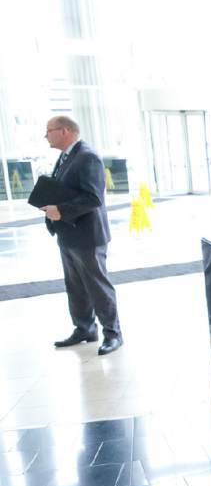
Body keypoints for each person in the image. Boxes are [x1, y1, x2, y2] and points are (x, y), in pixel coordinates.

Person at [40, 116, 123, 356]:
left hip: (87, 235)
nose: (46, 135)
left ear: (65, 131)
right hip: (67, 232)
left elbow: (93, 197)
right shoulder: (67, 156)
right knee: (75, 286)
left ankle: (113, 333)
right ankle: (85, 329)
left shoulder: (87, 156)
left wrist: (61, 210)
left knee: (97, 286)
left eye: (49, 131)